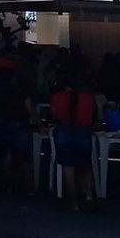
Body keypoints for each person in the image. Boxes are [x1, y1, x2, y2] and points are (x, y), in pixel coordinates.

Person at [48, 66, 97, 209]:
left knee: (68, 168)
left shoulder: (56, 97)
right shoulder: (88, 98)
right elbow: (91, 118)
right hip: (83, 132)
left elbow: (54, 116)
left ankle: (74, 202)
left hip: (64, 132)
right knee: (86, 165)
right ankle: (89, 196)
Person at [0, 62, 35, 195]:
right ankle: (30, 188)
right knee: (25, 158)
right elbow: (29, 107)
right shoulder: (21, 87)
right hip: (20, 122)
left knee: (4, 157)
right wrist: (37, 122)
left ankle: (7, 187)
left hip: (2, 122)